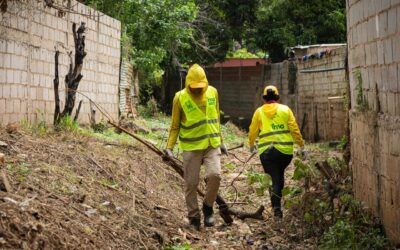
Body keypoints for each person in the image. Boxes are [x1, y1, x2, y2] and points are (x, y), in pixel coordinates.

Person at [164, 64, 228, 230]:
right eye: (195, 88)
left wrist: (221, 141)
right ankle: (193, 217)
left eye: (201, 87)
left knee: (215, 175)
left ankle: (208, 207)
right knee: (191, 183)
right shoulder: (180, 98)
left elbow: (216, 119)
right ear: (188, 84)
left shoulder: (213, 92)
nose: (198, 90)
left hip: (211, 144)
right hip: (191, 147)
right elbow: (175, 125)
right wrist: (169, 147)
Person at [248, 85, 304, 220]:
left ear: (264, 98)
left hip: (267, 153)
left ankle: (277, 209)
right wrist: (301, 145)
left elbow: (253, 130)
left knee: (273, 178)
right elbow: (294, 129)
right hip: (285, 153)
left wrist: (251, 145)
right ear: (277, 97)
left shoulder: (259, 112)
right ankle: (277, 207)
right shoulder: (286, 110)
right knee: (279, 176)